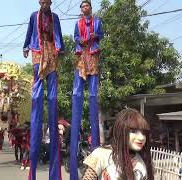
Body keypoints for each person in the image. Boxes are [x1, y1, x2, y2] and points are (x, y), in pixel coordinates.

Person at [23, 0, 64, 179]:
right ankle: (37, 99)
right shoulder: (34, 16)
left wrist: (60, 48)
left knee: (52, 86)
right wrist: (25, 46)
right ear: (40, 2)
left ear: (50, 2)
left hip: (51, 49)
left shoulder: (55, 17)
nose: (46, 3)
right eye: (43, 1)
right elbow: (30, 32)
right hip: (38, 49)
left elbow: (59, 34)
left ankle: (52, 101)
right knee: (38, 83)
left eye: (48, 1)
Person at [70, 1, 104, 179]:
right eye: (83, 6)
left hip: (93, 53)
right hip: (82, 55)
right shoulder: (77, 23)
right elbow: (75, 37)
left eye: (87, 6)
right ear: (81, 9)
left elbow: (101, 35)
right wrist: (80, 40)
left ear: (90, 7)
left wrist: (94, 35)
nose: (85, 8)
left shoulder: (98, 20)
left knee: (92, 93)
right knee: (77, 91)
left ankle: (95, 148)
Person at [82, 108, 154, 180]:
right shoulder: (102, 154)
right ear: (120, 131)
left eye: (144, 133)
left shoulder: (142, 159)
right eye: (134, 131)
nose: (141, 137)